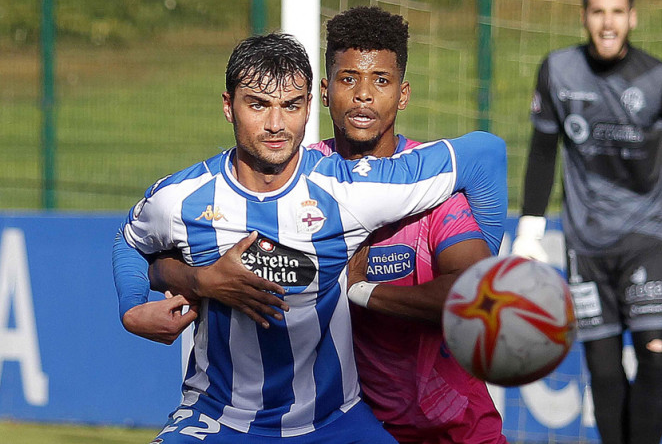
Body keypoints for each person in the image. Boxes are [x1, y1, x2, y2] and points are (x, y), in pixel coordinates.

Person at [112, 32, 508, 443]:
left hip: (335, 422)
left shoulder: (348, 188)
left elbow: (485, 155)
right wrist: (136, 306)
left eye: (290, 106)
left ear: (308, 107)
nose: (276, 125)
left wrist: (491, 258)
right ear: (229, 106)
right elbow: (129, 241)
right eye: (258, 105)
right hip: (218, 417)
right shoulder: (180, 199)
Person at [510, 0, 662, 443]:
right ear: (585, 17)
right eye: (597, 12)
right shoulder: (557, 71)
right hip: (585, 244)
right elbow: (543, 154)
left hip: (647, 237)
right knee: (603, 371)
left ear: (632, 17)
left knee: (653, 356)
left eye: (617, 12)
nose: (607, 22)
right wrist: (529, 229)